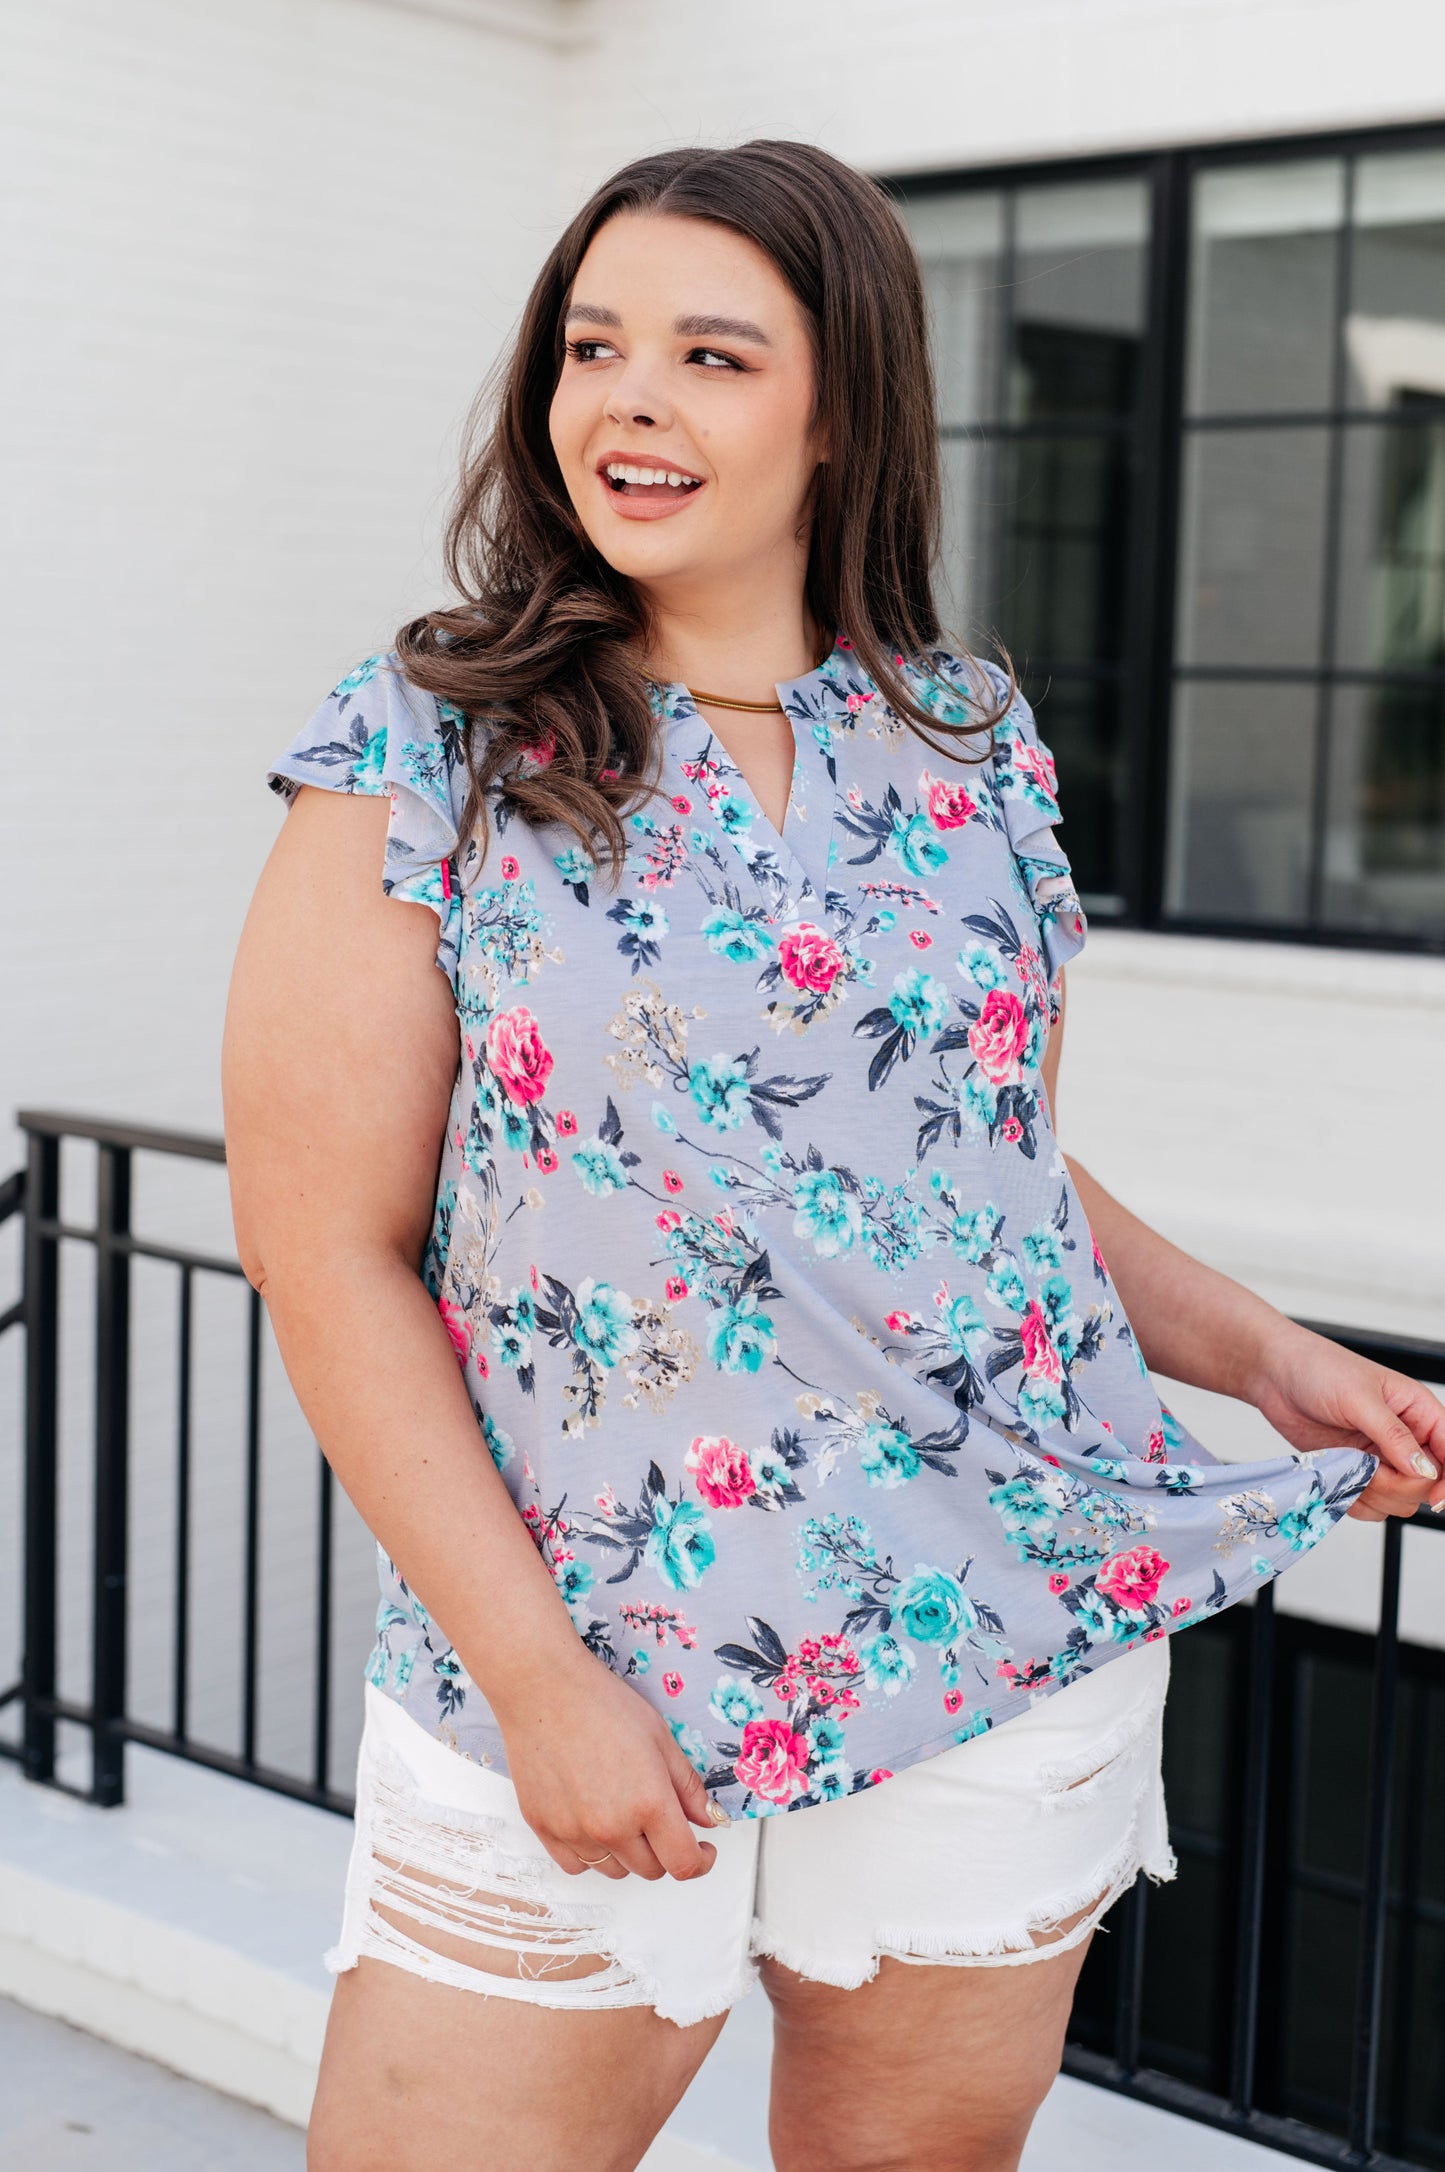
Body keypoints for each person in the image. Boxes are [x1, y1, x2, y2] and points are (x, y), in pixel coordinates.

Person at [221, 140, 1445, 2172]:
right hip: (582, 1661)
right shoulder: (424, 738)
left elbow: (981, 1173)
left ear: (840, 408)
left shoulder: (968, 738)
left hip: (995, 1637)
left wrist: (1268, 1359)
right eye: (593, 346)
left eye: (711, 354)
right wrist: (539, 1683)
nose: (630, 399)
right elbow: (320, 1247)